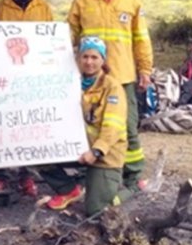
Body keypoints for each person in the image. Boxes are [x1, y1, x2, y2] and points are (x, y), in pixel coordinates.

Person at [67, 0, 153, 191]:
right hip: (91, 80)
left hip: (123, 76)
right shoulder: (82, 2)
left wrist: (145, 70)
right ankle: (96, 173)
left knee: (128, 129)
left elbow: (141, 39)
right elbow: (66, 39)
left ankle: (133, 177)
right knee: (91, 126)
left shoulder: (132, 1)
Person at [0, 0, 54, 197]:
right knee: (3, 122)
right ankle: (0, 175)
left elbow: (49, 41)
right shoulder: (1, 7)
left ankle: (26, 174)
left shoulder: (43, 7)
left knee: (27, 125)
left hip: (31, 78)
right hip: (5, 76)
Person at [40, 37, 131, 215]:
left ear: (103, 60)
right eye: (85, 56)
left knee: (95, 212)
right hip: (75, 149)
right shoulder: (68, 83)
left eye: (94, 57)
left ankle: (128, 191)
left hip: (105, 156)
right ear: (78, 58)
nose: (89, 62)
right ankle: (68, 190)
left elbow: (112, 127)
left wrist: (96, 151)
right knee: (37, 155)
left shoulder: (112, 87)